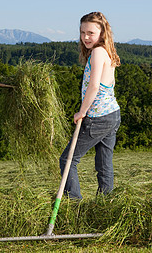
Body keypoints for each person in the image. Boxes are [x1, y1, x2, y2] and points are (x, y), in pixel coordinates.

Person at [59, 11, 121, 200]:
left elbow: (94, 86)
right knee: (104, 164)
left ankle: (75, 204)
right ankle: (105, 203)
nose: (85, 37)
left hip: (98, 117)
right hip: (112, 114)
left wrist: (82, 112)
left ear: (102, 33)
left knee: (67, 160)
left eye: (91, 33)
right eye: (82, 32)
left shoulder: (97, 52)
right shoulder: (107, 52)